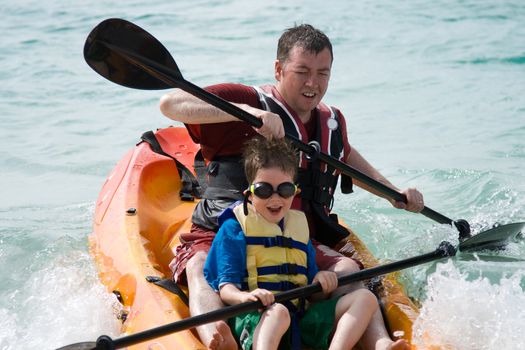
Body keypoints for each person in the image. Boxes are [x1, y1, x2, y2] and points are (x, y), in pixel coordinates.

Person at [160, 23, 423, 350]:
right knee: (199, 266)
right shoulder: (247, 99)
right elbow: (171, 103)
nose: (313, 83)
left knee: (353, 274)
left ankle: (381, 344)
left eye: (322, 73)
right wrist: (246, 114)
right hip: (222, 230)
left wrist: (393, 193)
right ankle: (216, 335)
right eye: (302, 71)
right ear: (279, 69)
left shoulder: (330, 121)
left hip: (297, 238)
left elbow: (344, 157)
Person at [204, 137, 378, 350]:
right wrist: (245, 297)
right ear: (249, 193)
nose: (275, 198)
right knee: (278, 312)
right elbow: (226, 290)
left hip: (299, 318)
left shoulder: (298, 227)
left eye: (284, 189)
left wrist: (321, 281)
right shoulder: (234, 228)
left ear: (295, 191)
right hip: (257, 317)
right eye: (264, 190)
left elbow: (312, 293)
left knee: (365, 298)